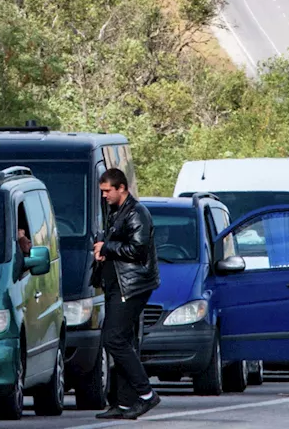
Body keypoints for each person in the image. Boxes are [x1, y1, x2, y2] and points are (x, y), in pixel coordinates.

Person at [92, 168, 160, 421]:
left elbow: (138, 249)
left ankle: (145, 394)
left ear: (122, 188)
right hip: (116, 285)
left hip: (131, 286)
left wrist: (107, 247)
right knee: (123, 342)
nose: (104, 196)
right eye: (102, 191)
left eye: (108, 191)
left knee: (114, 339)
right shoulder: (115, 212)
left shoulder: (137, 213)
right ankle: (122, 402)